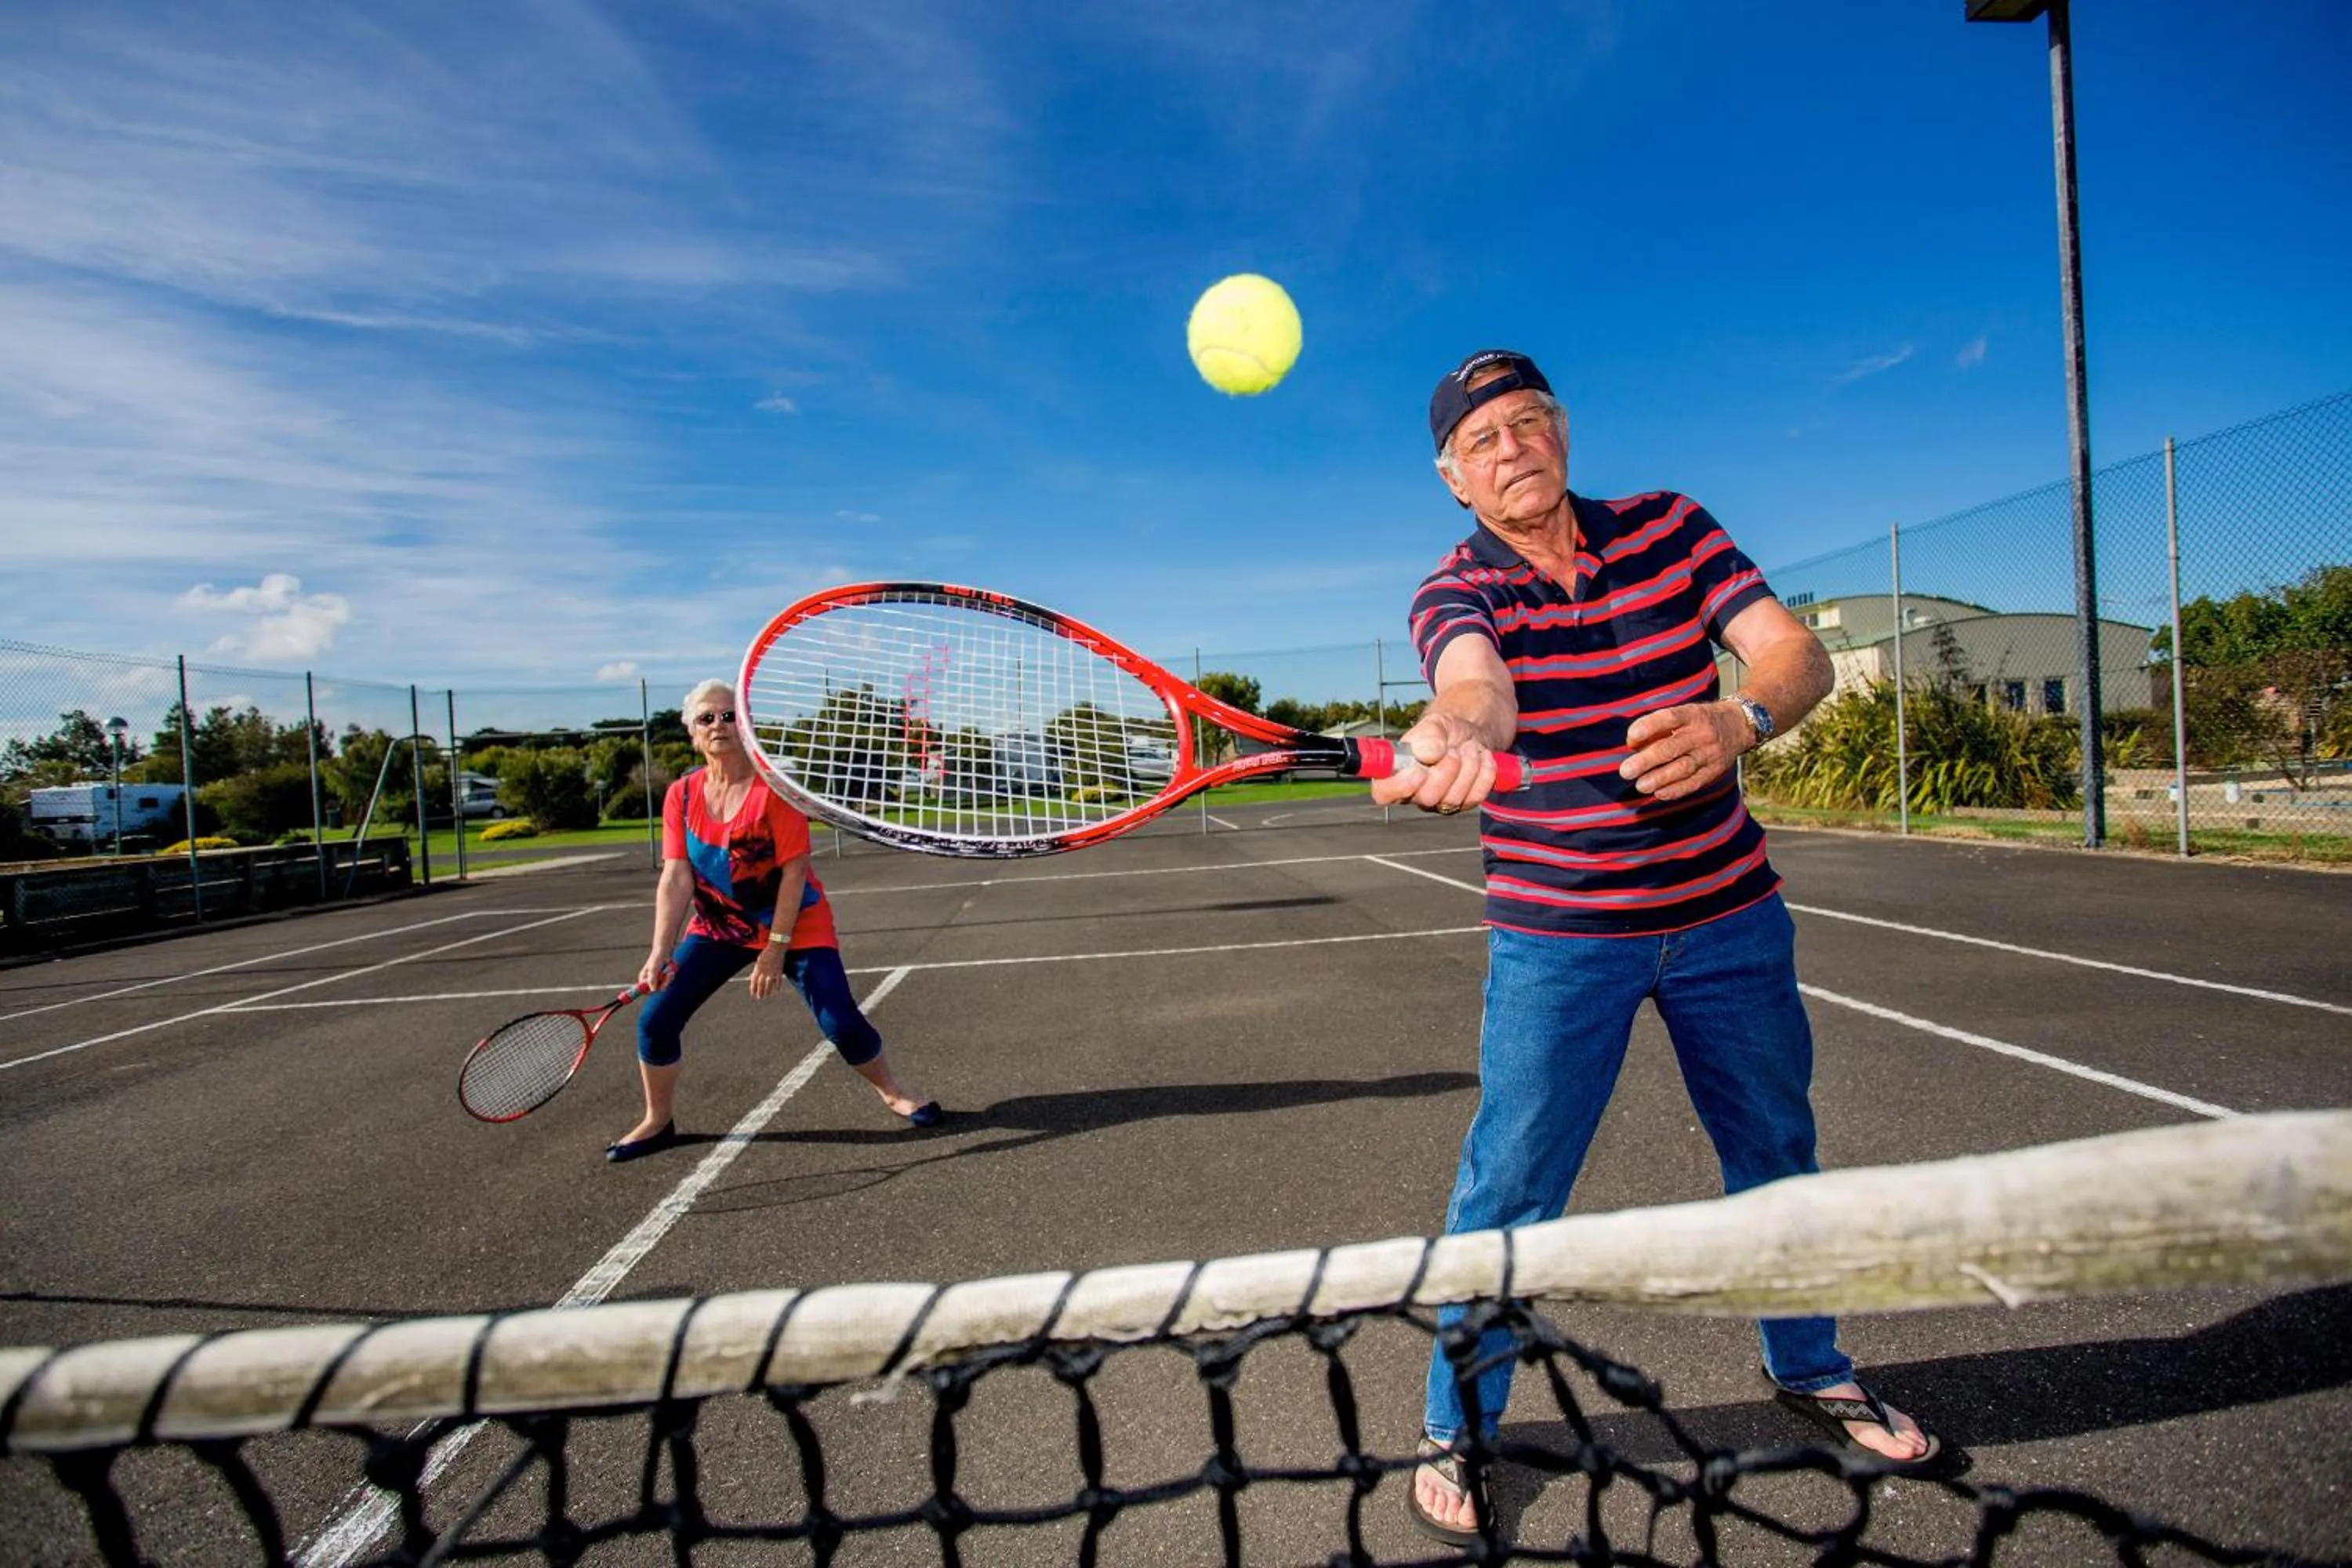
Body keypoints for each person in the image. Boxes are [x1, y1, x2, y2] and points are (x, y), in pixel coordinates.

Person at [1374, 350, 1944, 1545]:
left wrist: (1741, 718)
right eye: (1483, 441)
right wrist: (1454, 733)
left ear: (1563, 429)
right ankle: (1457, 1424)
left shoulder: (1672, 527)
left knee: (1777, 1149)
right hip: (1562, 940)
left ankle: (1811, 1366)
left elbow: (1794, 653)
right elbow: (1477, 690)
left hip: (1730, 918)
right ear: (1452, 478)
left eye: (1530, 421)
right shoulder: (1453, 589)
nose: (1513, 448)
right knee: (1510, 1189)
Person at [607, 679, 938, 1163]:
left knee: (840, 1021)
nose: (719, 725)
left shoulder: (775, 790)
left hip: (795, 922)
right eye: (706, 718)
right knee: (656, 1019)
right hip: (721, 927)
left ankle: (894, 1093)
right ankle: (658, 1120)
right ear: (692, 733)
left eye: (729, 715)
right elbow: (676, 877)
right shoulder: (681, 795)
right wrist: (660, 951)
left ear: (746, 726)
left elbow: (794, 872)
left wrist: (775, 948)